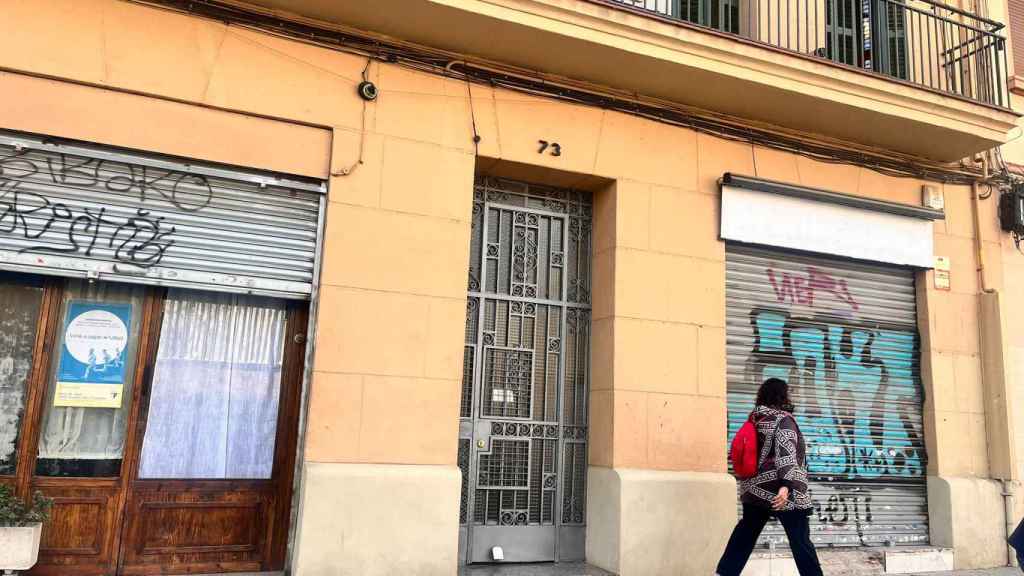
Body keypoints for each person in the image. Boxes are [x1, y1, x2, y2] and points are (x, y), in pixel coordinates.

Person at [715, 378, 823, 576]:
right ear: (782, 395)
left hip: (754, 490)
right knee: (800, 540)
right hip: (782, 493)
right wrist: (786, 486)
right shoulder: (784, 420)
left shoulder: (754, 419)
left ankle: (723, 573)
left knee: (745, 535)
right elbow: (786, 453)